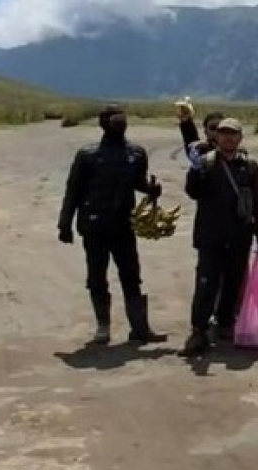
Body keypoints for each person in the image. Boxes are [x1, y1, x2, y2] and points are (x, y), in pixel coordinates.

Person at [57, 103, 166, 345]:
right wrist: (64, 223)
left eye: (122, 117)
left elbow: (138, 182)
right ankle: (103, 327)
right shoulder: (87, 155)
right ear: (102, 123)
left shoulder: (136, 153)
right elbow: (72, 191)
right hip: (94, 225)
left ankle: (140, 328)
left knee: (131, 275)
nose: (119, 122)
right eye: (113, 118)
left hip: (123, 226)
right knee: (97, 277)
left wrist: (150, 189)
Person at [181, 118, 258, 356]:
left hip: (240, 235)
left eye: (233, 134)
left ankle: (225, 323)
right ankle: (198, 330)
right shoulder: (207, 164)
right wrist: (195, 171)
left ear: (240, 138)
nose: (228, 138)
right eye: (223, 134)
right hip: (210, 236)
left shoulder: (249, 166)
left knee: (233, 281)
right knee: (206, 283)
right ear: (216, 137)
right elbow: (193, 192)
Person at [175, 97, 224, 167]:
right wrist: (186, 122)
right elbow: (191, 142)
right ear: (206, 132)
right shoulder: (201, 151)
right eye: (213, 128)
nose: (216, 132)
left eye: (221, 128)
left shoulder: (237, 154)